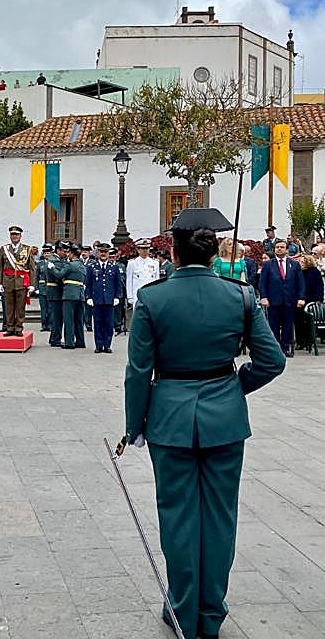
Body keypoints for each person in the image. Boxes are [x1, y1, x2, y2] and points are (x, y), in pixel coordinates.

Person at [124, 207, 285, 639]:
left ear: (172, 253)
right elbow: (272, 361)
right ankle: (210, 613)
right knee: (219, 518)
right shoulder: (241, 295)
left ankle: (181, 609)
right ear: (214, 256)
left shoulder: (153, 298)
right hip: (224, 419)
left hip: (170, 419)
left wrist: (135, 425)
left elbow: (139, 371)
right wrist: (233, 387)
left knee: (177, 517)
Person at [259, 239, 306, 356]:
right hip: (273, 300)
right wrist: (264, 297)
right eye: (277, 247)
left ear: (287, 250)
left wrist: (301, 297)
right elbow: (262, 283)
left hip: (289, 300)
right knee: (273, 325)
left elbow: (300, 283)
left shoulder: (294, 264)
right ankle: (275, 350)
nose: (279, 249)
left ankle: (285, 348)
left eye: (281, 247)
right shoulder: (268, 264)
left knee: (288, 325)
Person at [0, 225, 36, 337]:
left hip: (21, 282)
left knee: (20, 307)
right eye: (12, 234)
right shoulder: (4, 249)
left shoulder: (27, 249)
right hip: (7, 282)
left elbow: (32, 268)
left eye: (16, 235)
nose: (14, 237)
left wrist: (32, 284)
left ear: (20, 236)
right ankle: (9, 327)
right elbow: (0, 267)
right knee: (8, 307)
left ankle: (18, 328)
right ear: (10, 236)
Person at [85, 243, 122, 353]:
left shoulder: (114, 267)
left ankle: (107, 345)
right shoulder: (92, 267)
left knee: (109, 324)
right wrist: (88, 297)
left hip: (109, 300)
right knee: (98, 323)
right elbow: (88, 283)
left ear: (108, 253)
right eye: (101, 252)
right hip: (97, 299)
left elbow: (118, 284)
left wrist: (117, 296)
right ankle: (99, 345)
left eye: (105, 252)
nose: (103, 254)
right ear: (98, 253)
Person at [55, 244, 86, 349]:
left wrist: (52, 269)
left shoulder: (70, 265)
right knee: (79, 320)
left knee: (69, 319)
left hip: (69, 294)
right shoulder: (82, 265)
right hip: (80, 295)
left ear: (72, 254)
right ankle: (80, 341)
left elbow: (59, 275)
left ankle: (69, 342)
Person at [125, 239, 160, 328]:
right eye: (142, 249)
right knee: (138, 319)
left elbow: (157, 280)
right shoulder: (132, 263)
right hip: (137, 295)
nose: (145, 251)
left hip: (151, 295)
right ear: (138, 250)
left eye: (147, 249)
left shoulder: (155, 263)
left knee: (151, 318)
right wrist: (130, 297)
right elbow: (129, 280)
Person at [294, 254, 324, 350]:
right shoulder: (297, 272)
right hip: (298, 299)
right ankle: (300, 342)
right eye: (300, 262)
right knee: (298, 322)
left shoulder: (315, 272)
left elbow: (319, 286)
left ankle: (309, 341)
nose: (301, 264)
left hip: (311, 299)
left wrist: (318, 299)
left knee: (308, 322)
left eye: (303, 262)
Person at [47, 241, 69, 346]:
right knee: (57, 317)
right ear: (58, 250)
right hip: (56, 291)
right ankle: (55, 339)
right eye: (64, 251)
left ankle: (54, 338)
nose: (65, 253)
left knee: (58, 317)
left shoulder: (57, 260)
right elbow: (59, 276)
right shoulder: (55, 261)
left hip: (56, 292)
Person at [34, 244, 54, 332]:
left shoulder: (53, 263)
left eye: (48, 253)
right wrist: (36, 288)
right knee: (43, 308)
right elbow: (36, 276)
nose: (47, 255)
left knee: (50, 308)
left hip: (50, 288)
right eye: (45, 253)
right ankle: (43, 325)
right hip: (42, 288)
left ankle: (50, 324)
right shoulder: (40, 264)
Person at [108, 248, 127, 334]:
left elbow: (124, 277)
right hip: (109, 291)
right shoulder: (106, 266)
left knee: (118, 309)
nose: (111, 259)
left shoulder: (121, 266)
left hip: (118, 290)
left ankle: (118, 325)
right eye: (110, 257)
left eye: (113, 257)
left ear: (116, 257)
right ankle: (109, 324)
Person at [80, 245, 94, 332]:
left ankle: (88, 324)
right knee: (81, 306)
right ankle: (81, 324)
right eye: (83, 252)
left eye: (85, 252)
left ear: (89, 253)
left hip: (88, 285)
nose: (83, 253)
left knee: (88, 307)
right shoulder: (79, 261)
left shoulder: (92, 262)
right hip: (80, 285)